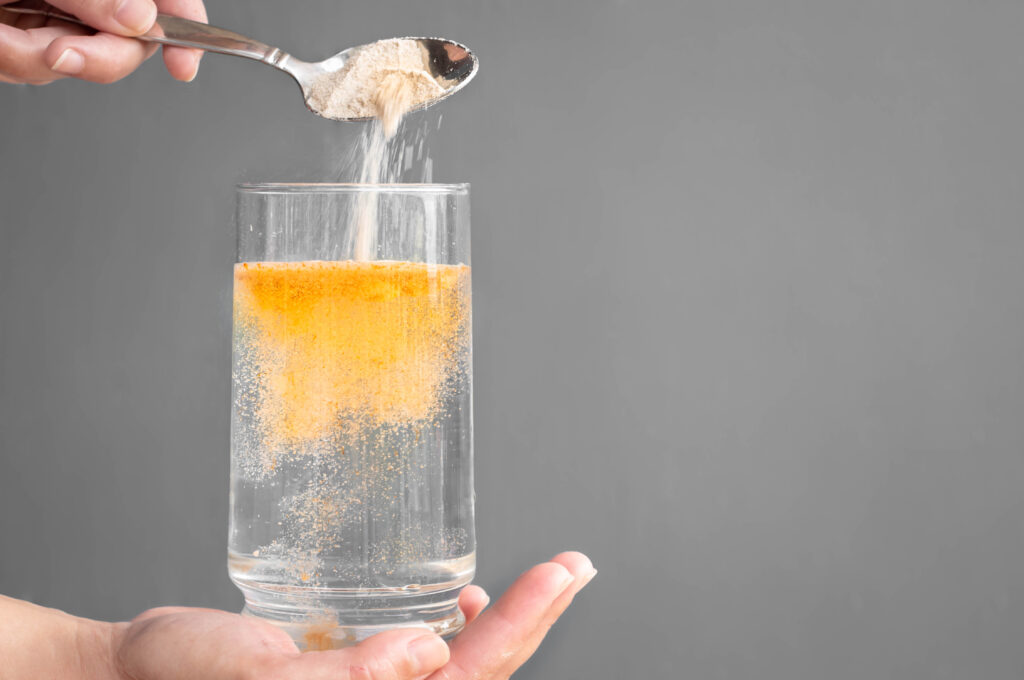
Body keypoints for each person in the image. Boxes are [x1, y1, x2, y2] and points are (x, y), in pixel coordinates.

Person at [0, 2, 596, 677]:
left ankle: (412, 594)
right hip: (274, 606)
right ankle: (302, 595)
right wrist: (106, 663)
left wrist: (102, 663)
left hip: (427, 601)